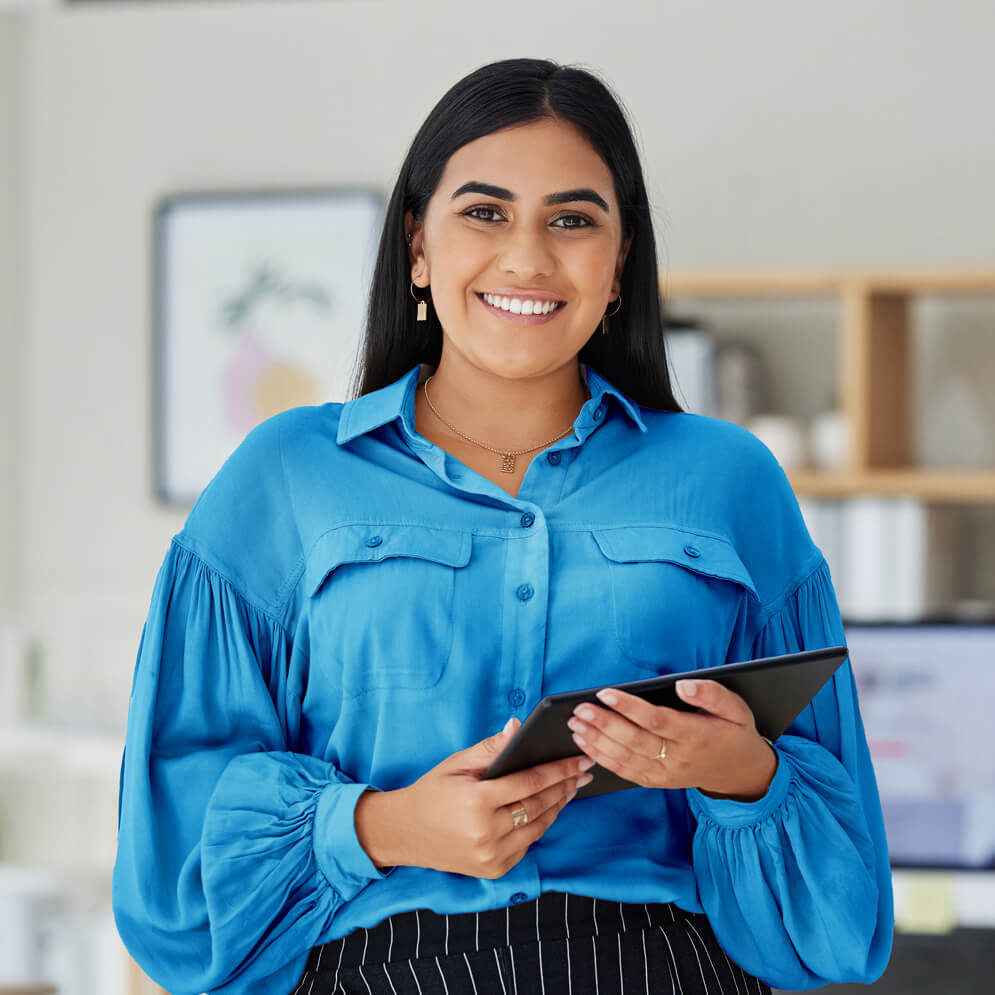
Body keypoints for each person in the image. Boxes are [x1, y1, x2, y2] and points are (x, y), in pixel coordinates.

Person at [112, 58, 894, 995]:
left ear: (619, 262)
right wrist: (386, 826)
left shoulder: (730, 481)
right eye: (484, 212)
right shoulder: (283, 476)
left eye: (572, 219)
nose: (527, 257)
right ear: (416, 244)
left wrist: (741, 772)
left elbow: (839, 919)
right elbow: (172, 869)